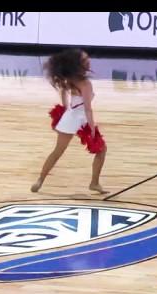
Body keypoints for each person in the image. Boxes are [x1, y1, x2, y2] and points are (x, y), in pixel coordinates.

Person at [31, 49, 108, 194]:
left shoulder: (71, 79)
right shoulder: (85, 84)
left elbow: (62, 91)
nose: (89, 61)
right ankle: (94, 183)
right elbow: (87, 109)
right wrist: (92, 128)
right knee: (102, 150)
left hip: (71, 117)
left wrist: (65, 107)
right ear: (80, 64)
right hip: (81, 119)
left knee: (57, 152)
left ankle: (40, 180)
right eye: (86, 60)